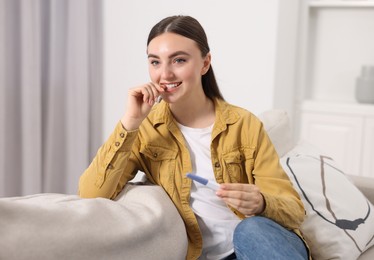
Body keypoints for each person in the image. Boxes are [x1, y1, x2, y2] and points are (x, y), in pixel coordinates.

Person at [79, 15, 309, 260]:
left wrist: (261, 203)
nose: (165, 74)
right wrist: (130, 122)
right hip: (199, 255)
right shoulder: (145, 129)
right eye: (155, 62)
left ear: (205, 63)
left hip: (259, 246)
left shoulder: (244, 125)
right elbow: (90, 195)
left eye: (179, 60)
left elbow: (294, 210)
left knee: (249, 230)